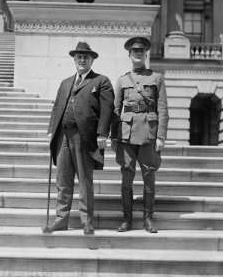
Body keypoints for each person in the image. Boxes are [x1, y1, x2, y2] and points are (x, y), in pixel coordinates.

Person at [46, 41, 114, 235]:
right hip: (63, 136)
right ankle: (60, 220)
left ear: (92, 60)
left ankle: (86, 222)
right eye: (78, 57)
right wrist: (52, 130)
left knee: (85, 180)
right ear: (74, 60)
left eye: (86, 57)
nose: (82, 60)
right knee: (63, 180)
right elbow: (57, 107)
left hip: (84, 137)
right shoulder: (65, 82)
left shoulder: (101, 81)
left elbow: (107, 110)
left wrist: (102, 133)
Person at [111, 36, 169, 233]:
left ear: (146, 54)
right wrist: (114, 137)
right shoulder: (122, 80)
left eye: (141, 51)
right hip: (126, 135)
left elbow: (162, 108)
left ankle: (148, 218)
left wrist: (161, 136)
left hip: (148, 134)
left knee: (149, 176)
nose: (138, 54)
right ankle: (127, 219)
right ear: (129, 55)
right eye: (134, 51)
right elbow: (115, 110)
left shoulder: (156, 78)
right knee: (126, 177)